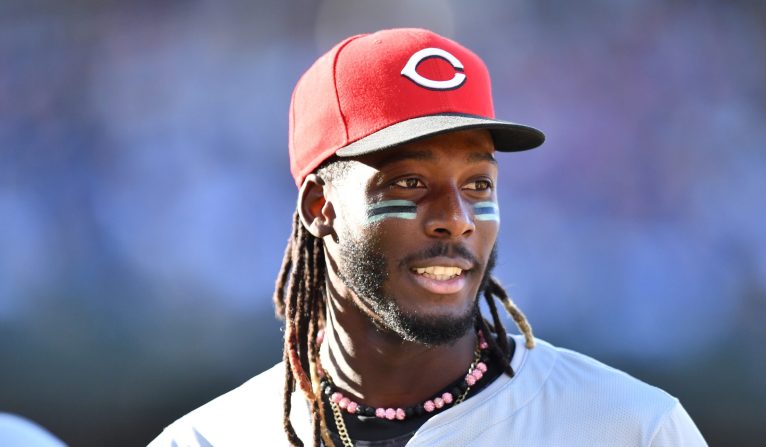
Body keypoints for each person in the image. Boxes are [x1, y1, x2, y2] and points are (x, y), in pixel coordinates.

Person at [149, 28, 707, 446]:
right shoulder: (207, 440)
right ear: (321, 207)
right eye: (410, 182)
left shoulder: (629, 429)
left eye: (478, 182)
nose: (456, 218)